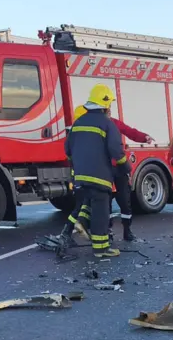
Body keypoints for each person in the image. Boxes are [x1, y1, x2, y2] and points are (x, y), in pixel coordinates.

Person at [72, 103, 155, 242]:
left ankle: (127, 231)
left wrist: (144, 137)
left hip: (118, 169)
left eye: (110, 111)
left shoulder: (114, 123)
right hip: (105, 169)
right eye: (107, 111)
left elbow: (130, 131)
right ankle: (107, 230)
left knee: (124, 201)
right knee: (106, 202)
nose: (109, 113)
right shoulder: (98, 125)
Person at [62, 84, 124, 259]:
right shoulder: (107, 123)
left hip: (81, 177)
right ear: (105, 104)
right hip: (100, 177)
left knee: (87, 204)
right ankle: (101, 249)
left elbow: (67, 149)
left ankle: (82, 225)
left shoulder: (78, 123)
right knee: (101, 213)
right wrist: (125, 167)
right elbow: (116, 151)